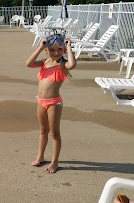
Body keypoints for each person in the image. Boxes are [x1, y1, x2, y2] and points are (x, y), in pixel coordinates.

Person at [25, 34, 76, 174]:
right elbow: (28, 63)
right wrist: (40, 47)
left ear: (64, 50)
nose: (56, 53)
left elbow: (72, 64)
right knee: (42, 131)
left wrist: (69, 47)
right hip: (40, 101)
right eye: (52, 50)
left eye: (60, 49)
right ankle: (40, 156)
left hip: (54, 103)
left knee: (54, 133)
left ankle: (55, 162)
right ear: (47, 50)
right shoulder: (44, 62)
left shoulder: (63, 65)